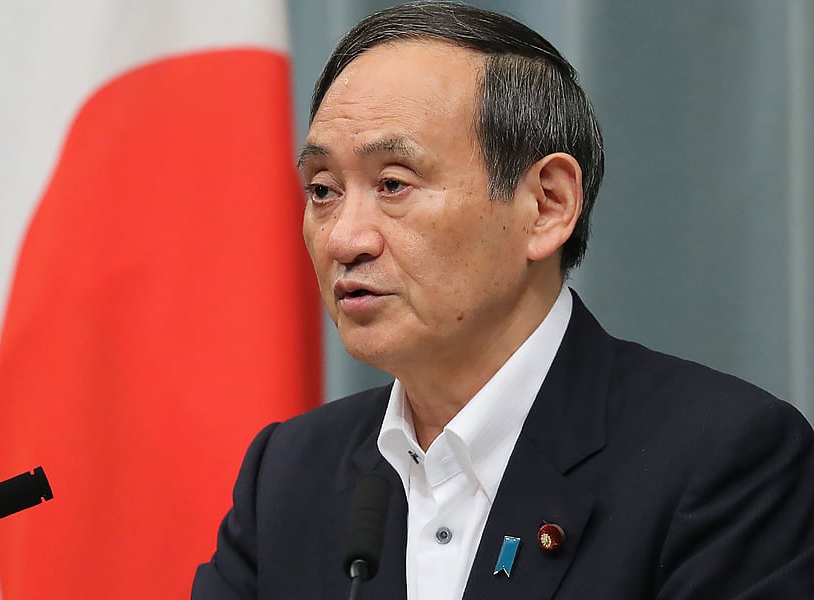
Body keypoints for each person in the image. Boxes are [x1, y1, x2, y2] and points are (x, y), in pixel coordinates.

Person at [192, 2, 814, 598]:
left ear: (546, 205)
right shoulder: (287, 474)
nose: (346, 239)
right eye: (323, 190)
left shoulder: (722, 460)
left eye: (392, 184)